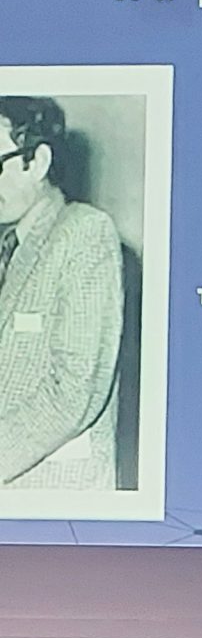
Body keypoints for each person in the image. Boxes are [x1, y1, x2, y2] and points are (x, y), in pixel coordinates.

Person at [0, 94, 124, 493]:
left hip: (52, 493)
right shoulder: (8, 246)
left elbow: (73, 391)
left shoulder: (84, 232)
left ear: (37, 162)